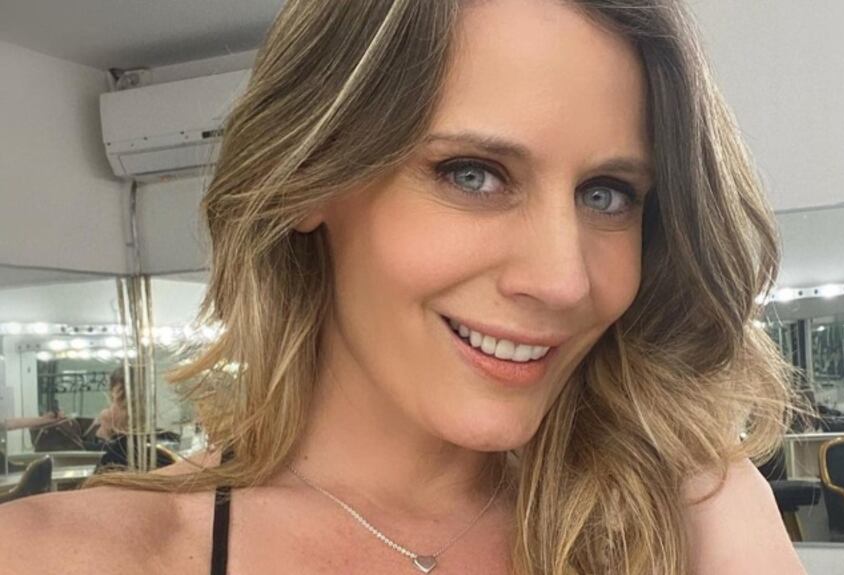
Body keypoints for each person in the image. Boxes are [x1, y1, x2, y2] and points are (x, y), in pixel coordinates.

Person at [0, 1, 803, 573]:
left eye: (607, 193)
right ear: (310, 178)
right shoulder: (58, 555)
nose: (562, 280)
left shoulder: (687, 526)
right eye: (473, 174)